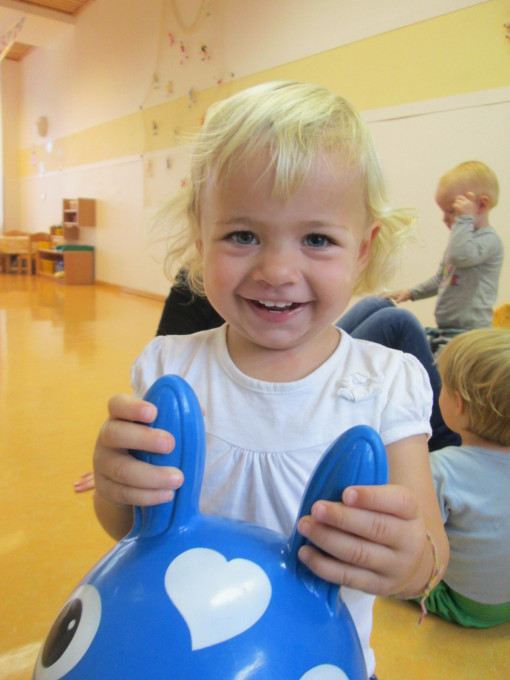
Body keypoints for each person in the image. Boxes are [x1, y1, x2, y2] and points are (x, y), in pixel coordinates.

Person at [92, 81, 449, 679]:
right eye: (242, 235)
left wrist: (409, 560)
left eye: (316, 239)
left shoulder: (387, 383)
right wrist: (114, 485)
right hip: (184, 658)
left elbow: (430, 560)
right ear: (198, 236)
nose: (278, 270)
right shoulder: (168, 368)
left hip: (321, 662)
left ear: (363, 250)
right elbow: (133, 530)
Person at [423, 328, 510, 627]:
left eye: (443, 387)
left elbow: (420, 545)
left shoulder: (440, 469)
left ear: (458, 404)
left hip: (465, 603)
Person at [384, 161, 503, 354]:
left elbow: (460, 256)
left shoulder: (489, 241)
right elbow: (441, 279)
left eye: (451, 211)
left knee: (442, 379)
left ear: (481, 205)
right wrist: (411, 292)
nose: (445, 219)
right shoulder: (460, 243)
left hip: (468, 335)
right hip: (447, 331)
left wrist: (463, 219)